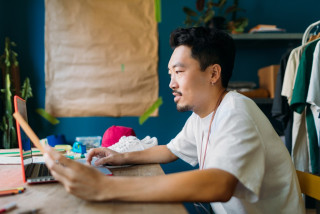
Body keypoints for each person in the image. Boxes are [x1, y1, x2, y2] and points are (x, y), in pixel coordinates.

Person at [44, 27, 305, 213]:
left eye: (179, 72)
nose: (171, 83)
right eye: (171, 73)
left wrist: (105, 187)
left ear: (213, 73)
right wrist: (118, 156)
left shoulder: (236, 112)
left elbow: (220, 184)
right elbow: (170, 150)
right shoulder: (203, 113)